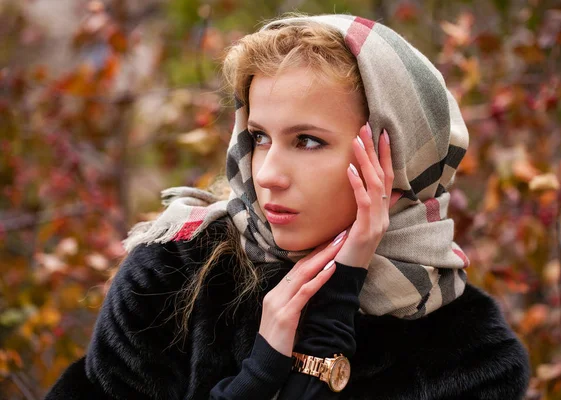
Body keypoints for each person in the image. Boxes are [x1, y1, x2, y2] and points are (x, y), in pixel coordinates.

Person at [45, 14, 530, 400]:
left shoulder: (471, 358)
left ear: (398, 155)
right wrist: (259, 374)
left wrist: (333, 310)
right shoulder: (173, 277)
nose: (267, 173)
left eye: (308, 141)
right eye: (259, 137)